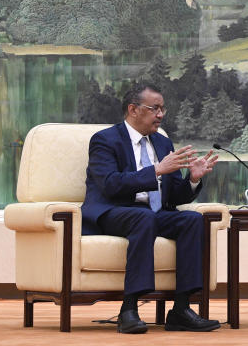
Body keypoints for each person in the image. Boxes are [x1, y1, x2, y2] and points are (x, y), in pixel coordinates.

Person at [82, 83, 221, 333]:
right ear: (133, 109)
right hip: (113, 211)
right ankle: (129, 309)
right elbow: (110, 184)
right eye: (154, 108)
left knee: (191, 220)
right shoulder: (105, 140)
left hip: (152, 214)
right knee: (142, 217)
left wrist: (192, 179)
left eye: (162, 109)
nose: (161, 114)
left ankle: (181, 310)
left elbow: (172, 196)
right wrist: (156, 170)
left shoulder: (162, 143)